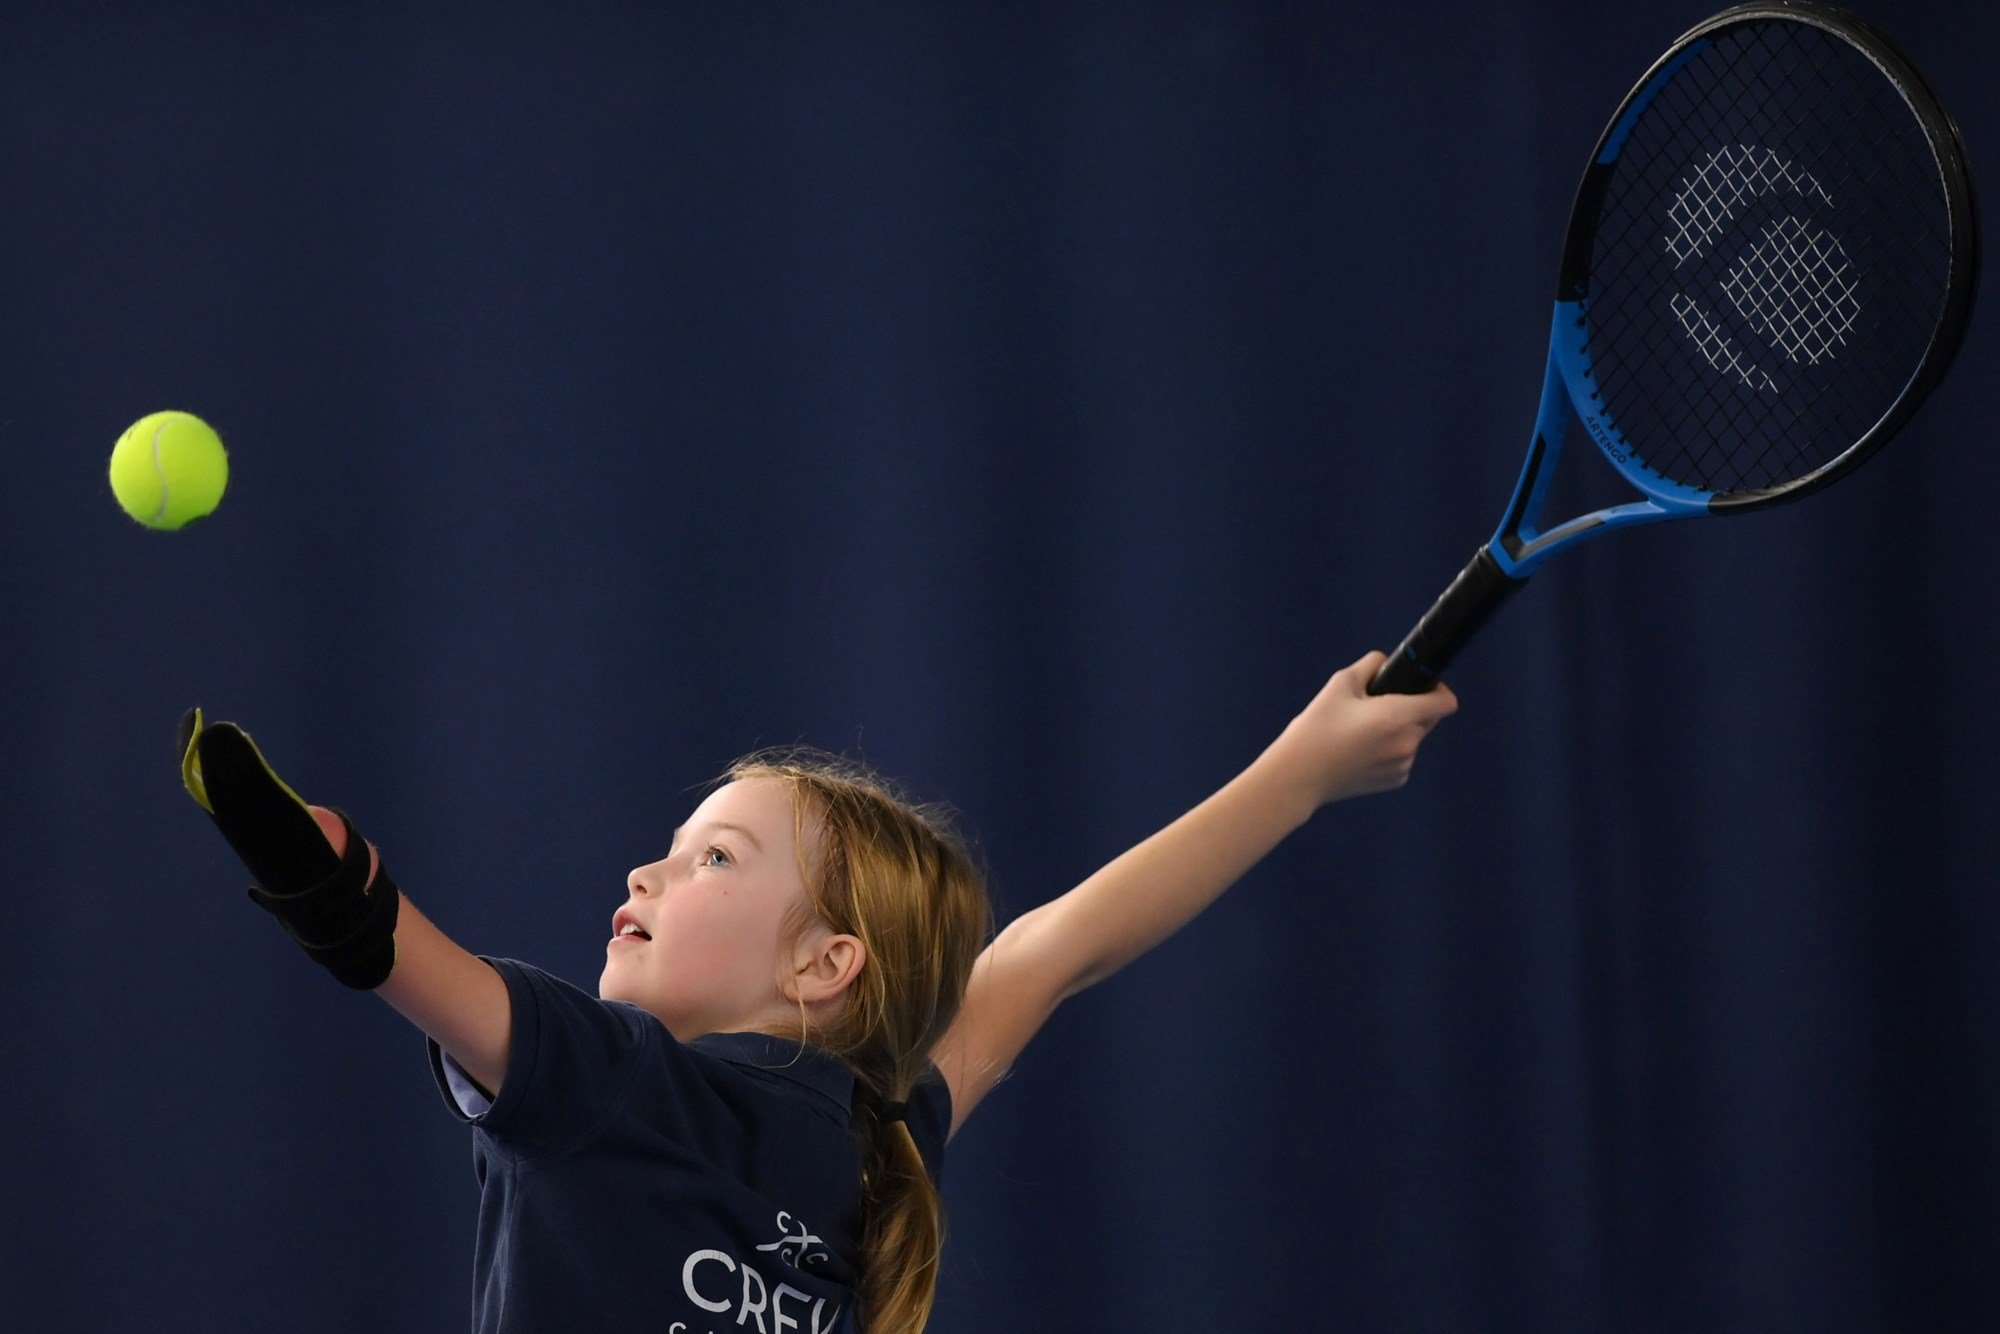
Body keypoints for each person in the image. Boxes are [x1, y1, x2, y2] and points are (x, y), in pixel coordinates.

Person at [177, 650, 1456, 1333]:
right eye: (673, 848)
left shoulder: (791, 1118)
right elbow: (1055, 950)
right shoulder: (873, 1122)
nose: (647, 869)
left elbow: (394, 949)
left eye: (710, 857)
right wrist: (1296, 771)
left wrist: (321, 871)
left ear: (824, 962)